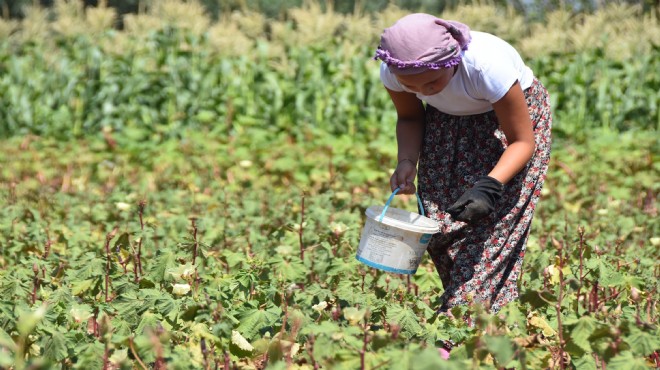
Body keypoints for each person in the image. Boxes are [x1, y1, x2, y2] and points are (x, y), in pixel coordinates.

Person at [374, 13, 552, 313]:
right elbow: (410, 116)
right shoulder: (393, 71)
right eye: (414, 86)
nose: (426, 91)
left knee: (494, 226)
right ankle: (484, 314)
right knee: (441, 224)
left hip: (510, 124)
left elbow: (522, 142)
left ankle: (461, 326)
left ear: (451, 61)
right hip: (446, 120)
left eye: (432, 82)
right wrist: (406, 161)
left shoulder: (486, 66)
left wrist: (490, 186)